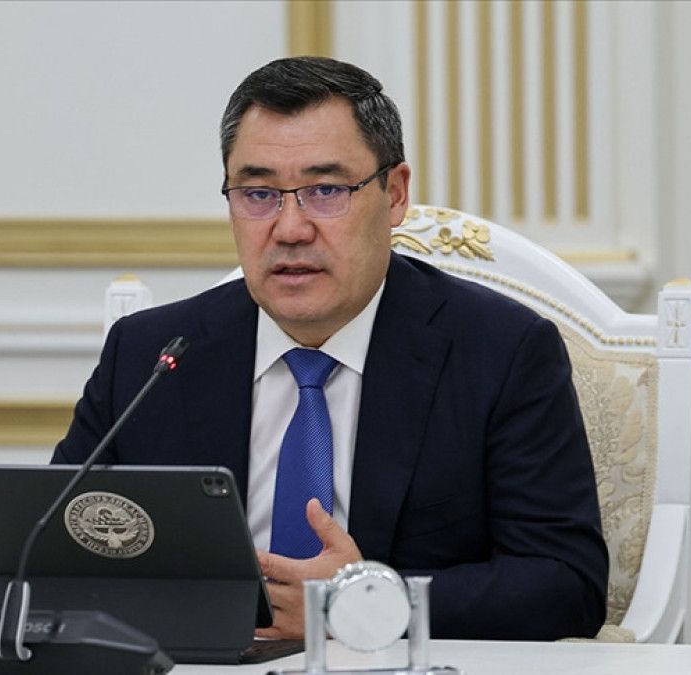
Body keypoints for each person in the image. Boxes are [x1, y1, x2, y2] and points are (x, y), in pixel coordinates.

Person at [53, 56, 608, 641]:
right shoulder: (152, 355)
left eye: (326, 190)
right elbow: (38, 559)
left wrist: (360, 603)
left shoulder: (501, 352)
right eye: (258, 193)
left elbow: (565, 583)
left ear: (395, 194)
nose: (290, 229)